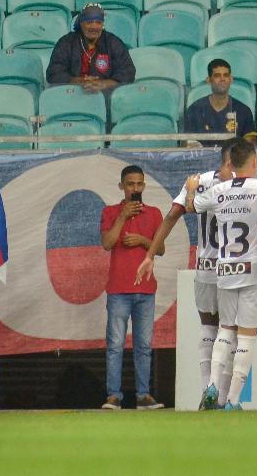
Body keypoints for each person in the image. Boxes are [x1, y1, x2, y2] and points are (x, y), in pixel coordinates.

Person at [135, 139, 237, 409]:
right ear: (233, 161)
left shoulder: (199, 180)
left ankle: (208, 393)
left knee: (209, 327)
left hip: (206, 266)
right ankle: (224, 398)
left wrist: (149, 255)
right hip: (237, 269)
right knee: (231, 331)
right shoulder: (250, 185)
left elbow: (172, 216)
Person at [183, 139, 257, 410]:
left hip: (225, 269)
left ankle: (212, 385)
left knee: (225, 330)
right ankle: (233, 400)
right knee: (246, 335)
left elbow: (192, 207)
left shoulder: (219, 190)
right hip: (253, 269)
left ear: (231, 164)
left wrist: (191, 190)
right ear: (253, 162)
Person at [99, 165, 164, 410]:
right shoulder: (110, 211)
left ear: (144, 186)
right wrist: (123, 216)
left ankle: (143, 395)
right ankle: (114, 395)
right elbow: (107, 243)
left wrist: (143, 241)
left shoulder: (155, 213)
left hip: (146, 289)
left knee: (144, 346)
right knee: (115, 344)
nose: (135, 188)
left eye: (139, 184)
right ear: (121, 186)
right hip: (118, 288)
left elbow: (161, 249)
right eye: (130, 184)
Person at [46, 3, 135, 93]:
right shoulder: (66, 43)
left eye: (98, 22)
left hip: (105, 97)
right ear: (81, 23)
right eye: (89, 22)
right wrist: (80, 81)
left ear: (102, 25)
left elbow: (128, 71)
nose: (94, 27)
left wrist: (104, 84)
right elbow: (54, 73)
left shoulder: (113, 42)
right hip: (72, 95)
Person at [184, 59, 257, 141]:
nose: (222, 79)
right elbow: (187, 143)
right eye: (217, 75)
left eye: (226, 75)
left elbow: (250, 146)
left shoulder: (243, 110)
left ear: (231, 79)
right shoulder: (194, 110)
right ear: (208, 80)